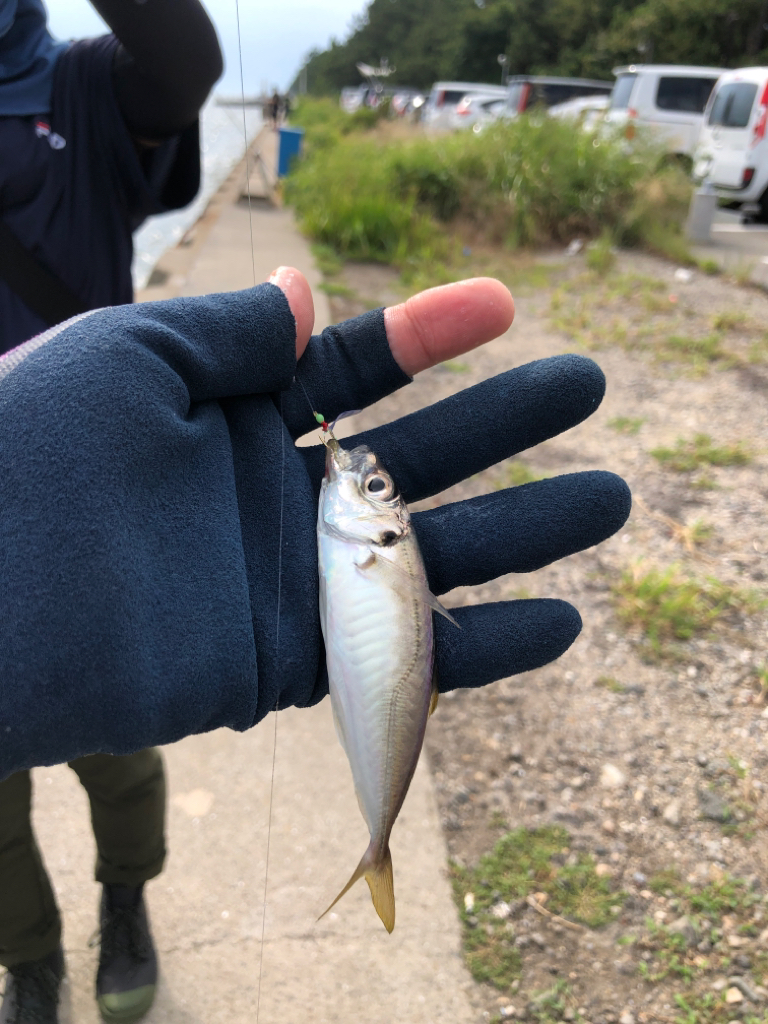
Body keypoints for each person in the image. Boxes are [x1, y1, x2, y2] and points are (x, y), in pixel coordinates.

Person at [0, 270, 632, 1011]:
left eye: (374, 490)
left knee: (125, 778)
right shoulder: (365, 535)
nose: (363, 480)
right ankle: (29, 958)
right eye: (376, 488)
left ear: (384, 527)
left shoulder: (369, 539)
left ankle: (127, 903)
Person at [0, 1, 222, 1021]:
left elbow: (183, 61)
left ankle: (125, 901)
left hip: (83, 477)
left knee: (118, 727)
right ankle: (27, 956)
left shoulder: (87, 85)